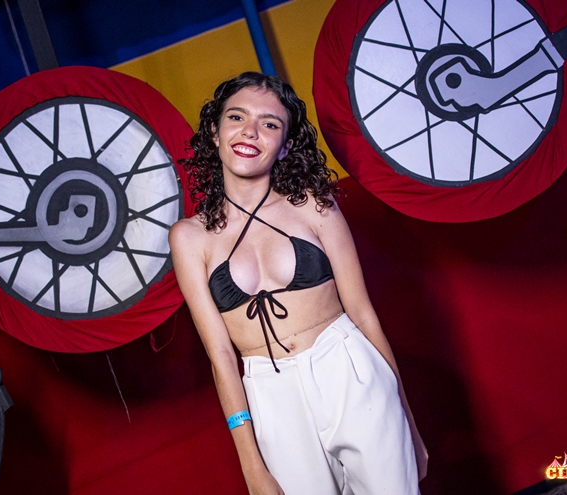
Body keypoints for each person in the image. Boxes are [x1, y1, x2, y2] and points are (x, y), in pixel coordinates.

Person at [169, 72, 427, 495]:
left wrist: (408, 421)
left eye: (269, 123)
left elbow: (363, 314)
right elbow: (221, 356)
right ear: (215, 132)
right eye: (237, 117)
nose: (250, 131)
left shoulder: (313, 205)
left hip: (347, 368)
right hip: (269, 393)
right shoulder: (189, 238)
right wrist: (251, 465)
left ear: (285, 145)